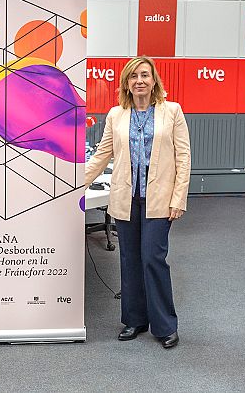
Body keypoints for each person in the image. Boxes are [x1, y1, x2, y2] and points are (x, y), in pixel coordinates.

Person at [85, 56, 191, 348]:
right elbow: (102, 154)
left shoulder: (172, 112)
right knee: (129, 260)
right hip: (125, 198)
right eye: (133, 76)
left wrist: (178, 198)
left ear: (154, 80)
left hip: (159, 199)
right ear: (127, 84)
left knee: (152, 259)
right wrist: (74, 184)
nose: (139, 80)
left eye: (145, 75)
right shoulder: (116, 115)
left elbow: (183, 157)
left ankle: (164, 325)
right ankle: (134, 320)